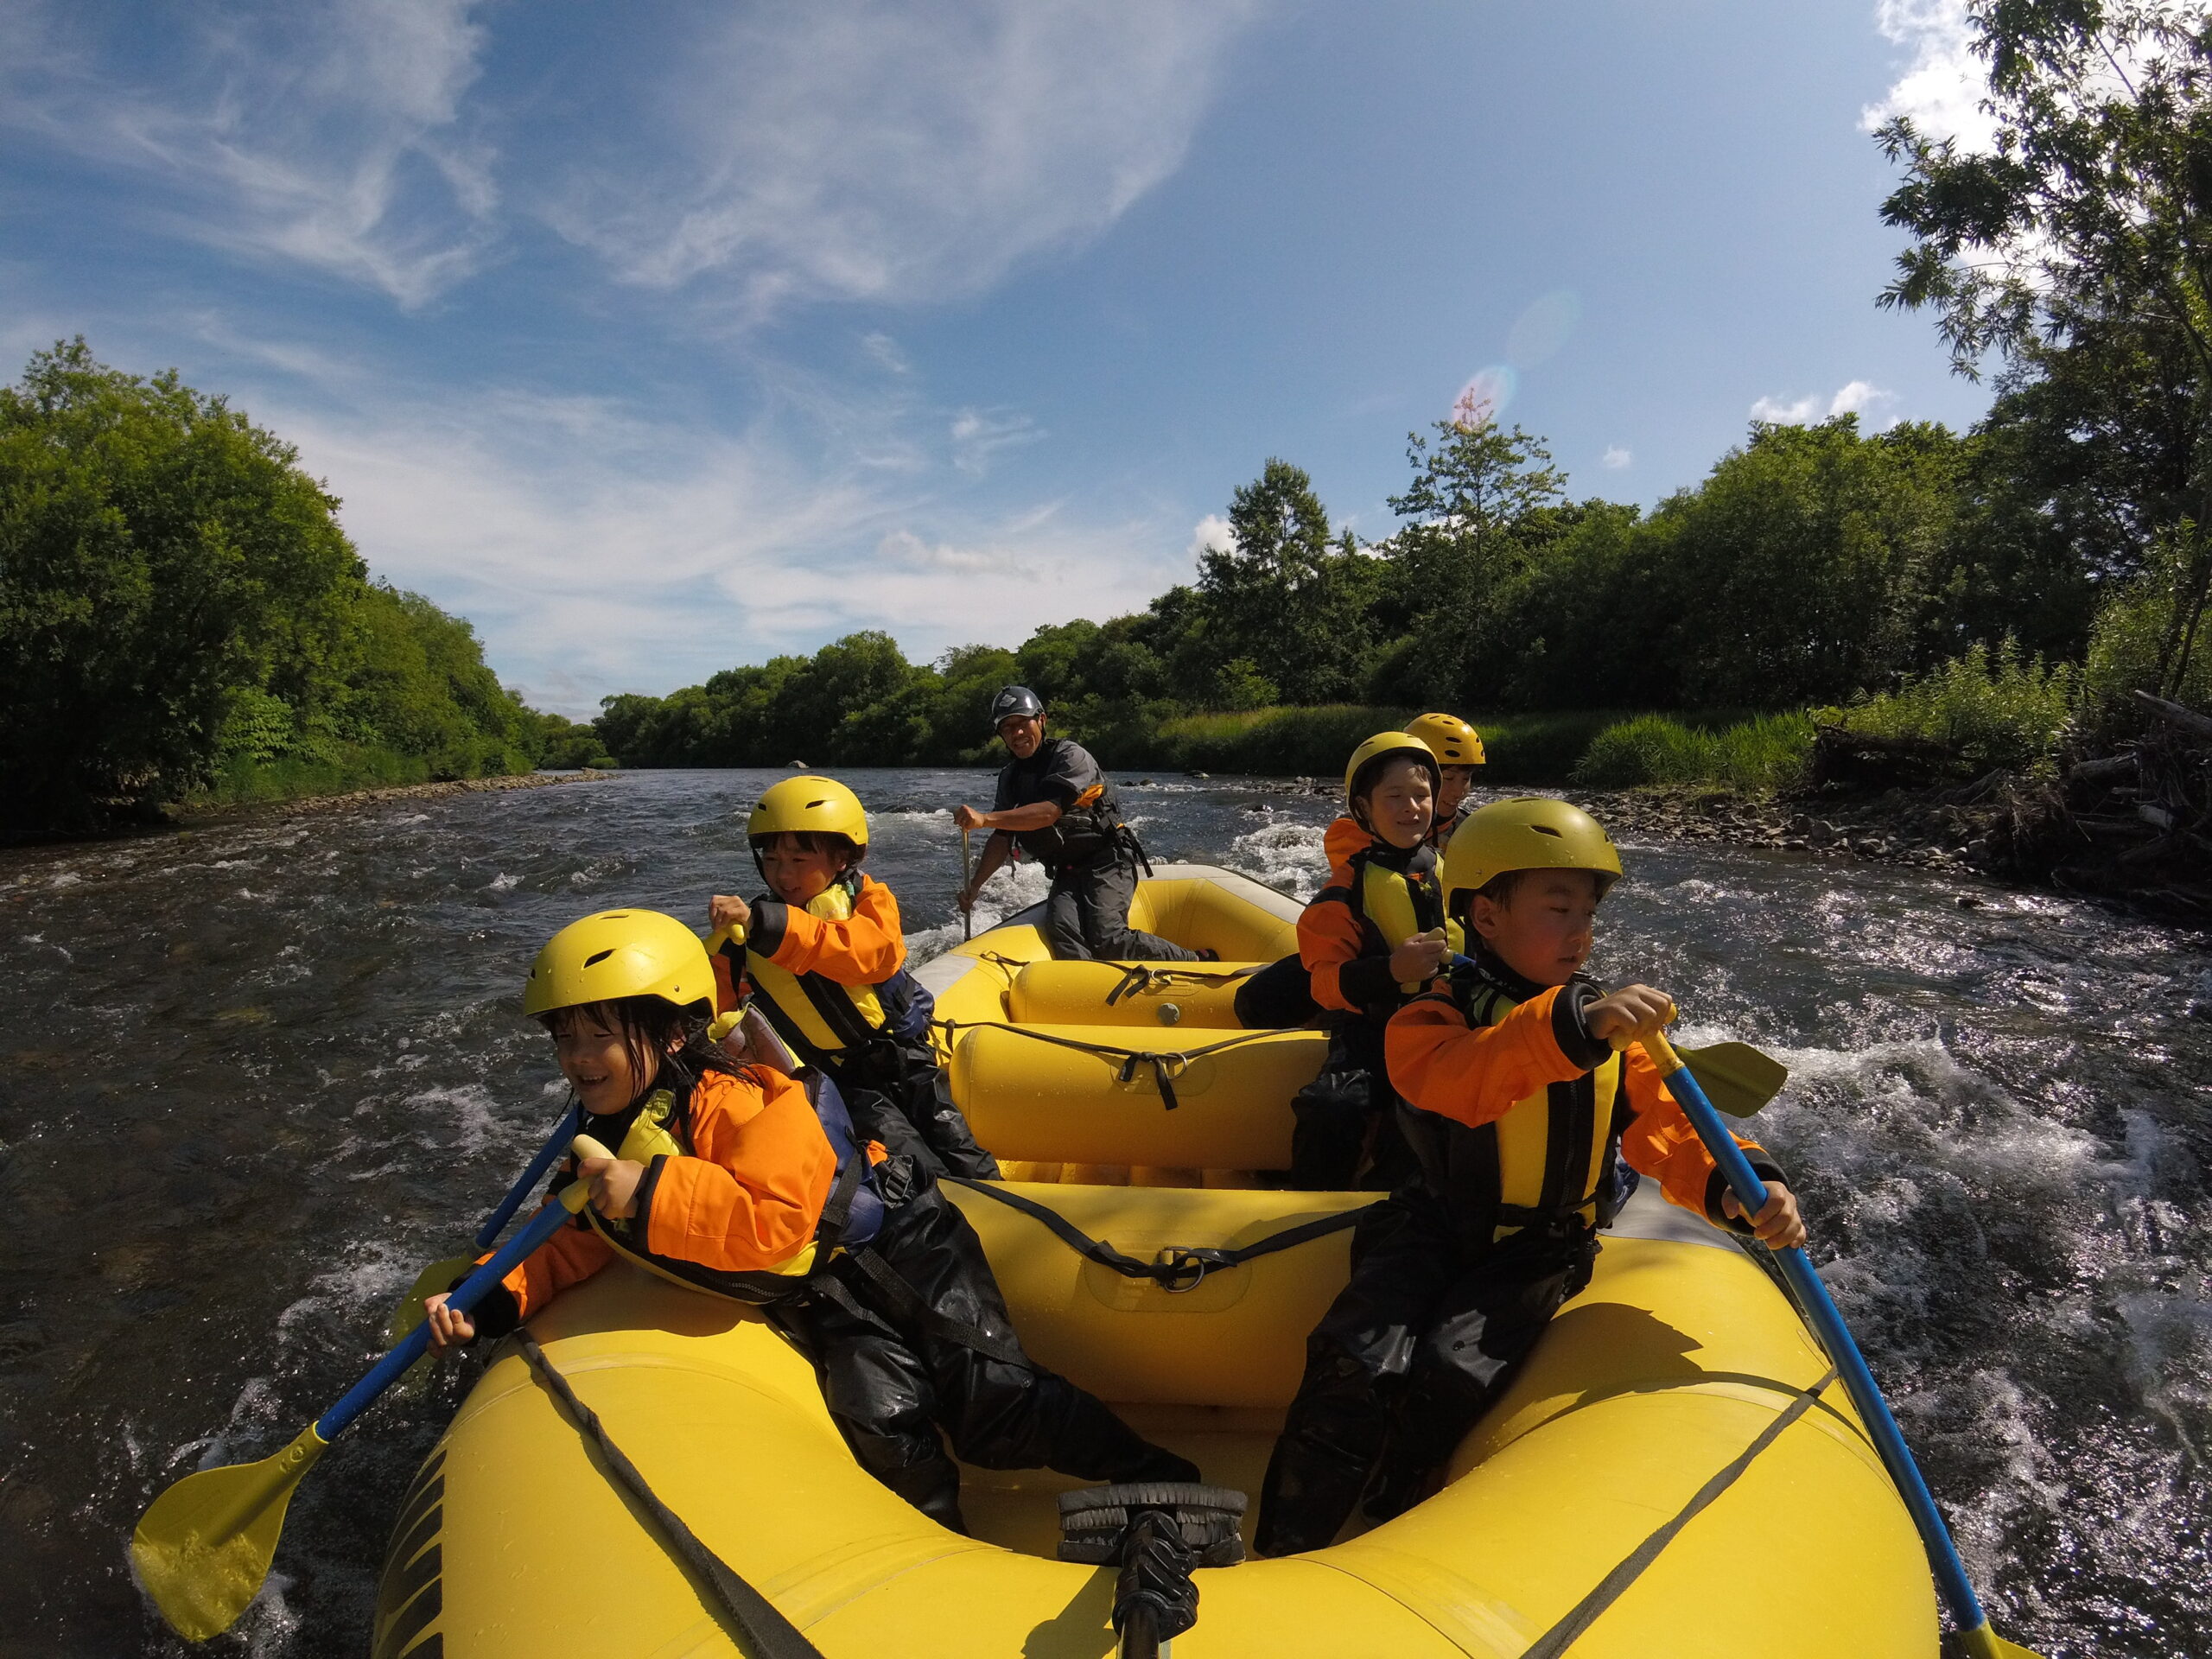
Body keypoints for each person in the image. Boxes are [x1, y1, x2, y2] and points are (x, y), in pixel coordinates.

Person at [425, 908, 1196, 1534]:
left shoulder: (745, 1096)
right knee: (882, 1420)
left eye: (600, 1035)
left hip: (903, 1241)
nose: (579, 1059)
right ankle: (943, 1545)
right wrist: (490, 1296)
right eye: (565, 1037)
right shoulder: (618, 1130)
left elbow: (780, 1222)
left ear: (670, 1034)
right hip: (824, 1293)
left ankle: (1156, 1476)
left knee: (994, 1398)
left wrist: (653, 1189)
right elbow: (570, 1236)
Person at [1253, 798, 1805, 1556]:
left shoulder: (1612, 1031)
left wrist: (1744, 1189)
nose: (1579, 930)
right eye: (1556, 907)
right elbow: (1462, 1082)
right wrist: (1574, 1029)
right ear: (1485, 918)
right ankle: (1282, 1544)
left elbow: (1672, 1130)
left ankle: (1391, 1518)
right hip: (1432, 1225)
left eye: (1587, 911)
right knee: (1354, 1356)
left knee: (1453, 1373)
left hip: (1540, 1247)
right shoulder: (1433, 1017)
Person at [706, 774, 996, 1180]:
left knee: (954, 1139)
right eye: (771, 861)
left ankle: (1001, 1205)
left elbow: (872, 956)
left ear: (842, 859)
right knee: (912, 1162)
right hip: (845, 1076)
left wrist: (768, 925)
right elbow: (710, 1002)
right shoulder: (746, 936)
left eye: (798, 861)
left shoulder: (869, 899)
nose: (783, 876)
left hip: (905, 1054)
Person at [1279, 731, 1463, 1190]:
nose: (1411, 808)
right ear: (1364, 809)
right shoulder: (1345, 890)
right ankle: (1310, 1203)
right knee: (1331, 1108)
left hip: (1443, 1028)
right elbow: (1324, 984)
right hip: (1371, 1030)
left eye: (1422, 795)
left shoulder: (1456, 874)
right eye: (1394, 797)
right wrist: (1391, 971)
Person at [952, 684, 1201, 963]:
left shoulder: (1070, 756)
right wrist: (975, 887)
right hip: (1068, 871)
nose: (1017, 733)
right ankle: (1094, 996)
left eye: (1023, 723)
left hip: (1108, 860)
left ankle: (1199, 961)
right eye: (1007, 727)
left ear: (1041, 720)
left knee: (1108, 938)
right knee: (1067, 939)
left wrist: (984, 819)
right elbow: (1001, 838)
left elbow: (1048, 813)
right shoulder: (1010, 777)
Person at [1404, 712, 1485, 851]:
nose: (1458, 792)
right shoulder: (1375, 831)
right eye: (1448, 778)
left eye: (1466, 778)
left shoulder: (1469, 831)